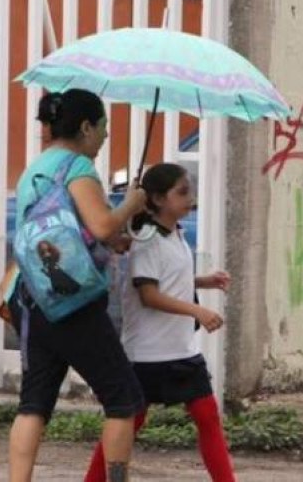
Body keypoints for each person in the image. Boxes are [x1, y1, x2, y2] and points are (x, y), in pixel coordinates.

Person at [8, 89, 147, 482]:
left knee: (34, 403)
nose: (105, 136)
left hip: (32, 299)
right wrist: (132, 203)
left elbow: (67, 232)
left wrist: (111, 240)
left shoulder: (35, 168)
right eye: (103, 127)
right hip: (73, 302)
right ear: (86, 127)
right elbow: (101, 224)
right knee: (123, 399)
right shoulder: (79, 167)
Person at [84, 163, 236, 482]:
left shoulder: (175, 234)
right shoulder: (148, 241)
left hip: (180, 349)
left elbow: (167, 279)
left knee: (207, 417)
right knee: (127, 424)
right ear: (156, 199)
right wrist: (197, 311)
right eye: (182, 192)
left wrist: (203, 281)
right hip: (147, 354)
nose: (190, 198)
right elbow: (149, 295)